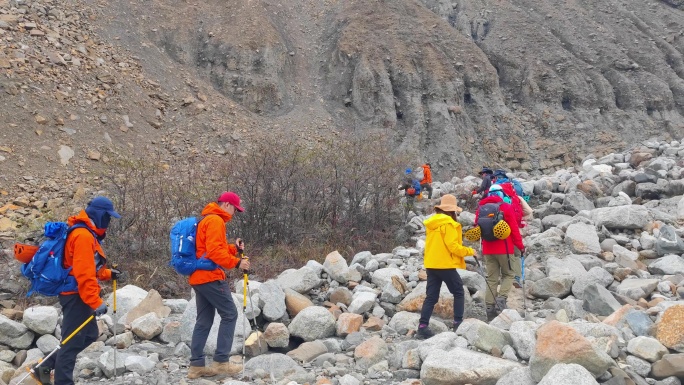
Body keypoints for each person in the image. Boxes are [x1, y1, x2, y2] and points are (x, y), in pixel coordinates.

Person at [36, 197, 122, 385]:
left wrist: (107, 273)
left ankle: (42, 368)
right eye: (107, 217)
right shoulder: (83, 236)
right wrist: (95, 301)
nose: (108, 222)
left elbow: (86, 268)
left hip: (78, 295)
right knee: (70, 342)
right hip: (76, 296)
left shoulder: (86, 233)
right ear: (99, 215)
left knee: (89, 335)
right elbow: (84, 275)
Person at [187, 191, 250, 379]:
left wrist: (233, 248)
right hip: (210, 278)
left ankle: (196, 366)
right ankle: (221, 362)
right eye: (235, 210)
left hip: (198, 278)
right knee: (230, 314)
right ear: (227, 205)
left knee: (204, 321)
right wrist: (237, 263)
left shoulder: (207, 219)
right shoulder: (215, 221)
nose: (234, 214)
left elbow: (210, 249)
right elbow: (214, 253)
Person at [416, 194, 476, 339]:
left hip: (431, 264)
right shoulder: (449, 224)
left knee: (431, 296)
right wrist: (470, 251)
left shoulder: (432, 223)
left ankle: (422, 327)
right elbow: (453, 247)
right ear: (452, 210)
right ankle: (458, 323)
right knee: (458, 292)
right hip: (445, 265)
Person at [474, 184, 525, 320]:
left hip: (488, 249)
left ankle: (490, 308)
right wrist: (520, 246)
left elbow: (477, 228)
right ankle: (501, 300)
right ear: (501, 194)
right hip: (505, 248)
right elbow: (514, 230)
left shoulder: (480, 209)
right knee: (509, 274)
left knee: (491, 278)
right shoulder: (506, 207)